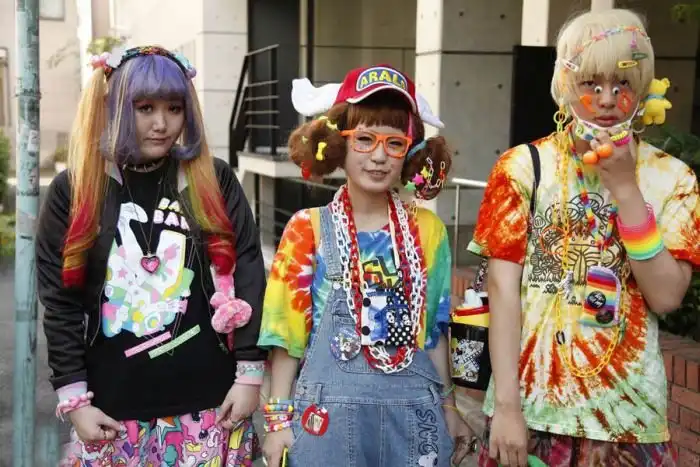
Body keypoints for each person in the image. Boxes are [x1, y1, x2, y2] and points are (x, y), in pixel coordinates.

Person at [468, 9, 699, 467]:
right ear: (566, 84)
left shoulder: (673, 178)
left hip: (628, 419)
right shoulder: (521, 167)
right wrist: (508, 408)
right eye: (592, 83)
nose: (607, 99)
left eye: (622, 82)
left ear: (643, 88)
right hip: (532, 411)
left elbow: (667, 296)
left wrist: (626, 189)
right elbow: (503, 291)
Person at [36, 45, 267, 466]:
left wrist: (250, 373)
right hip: (110, 411)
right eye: (144, 108)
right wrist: (74, 398)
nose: (161, 124)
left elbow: (249, 271)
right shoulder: (76, 189)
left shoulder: (212, 178)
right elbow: (59, 301)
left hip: (211, 407)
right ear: (113, 109)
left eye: (174, 108)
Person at [256, 64, 477, 467]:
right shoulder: (308, 228)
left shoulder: (428, 231)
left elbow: (433, 331)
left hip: (415, 419)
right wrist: (277, 422)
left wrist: (449, 408)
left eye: (394, 143)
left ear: (411, 152)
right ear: (336, 144)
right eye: (364, 139)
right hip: (325, 423)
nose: (378, 156)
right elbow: (286, 335)